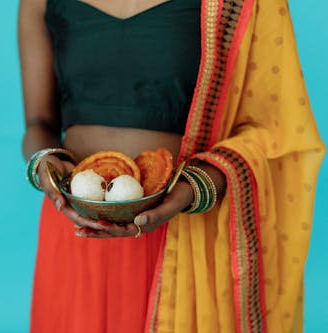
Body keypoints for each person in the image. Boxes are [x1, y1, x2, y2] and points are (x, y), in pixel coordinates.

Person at [18, 0, 325, 332]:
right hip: (75, 230)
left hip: (183, 237)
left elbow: (276, 132)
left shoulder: (238, 5)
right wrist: (45, 165)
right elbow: (38, 123)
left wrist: (194, 187)